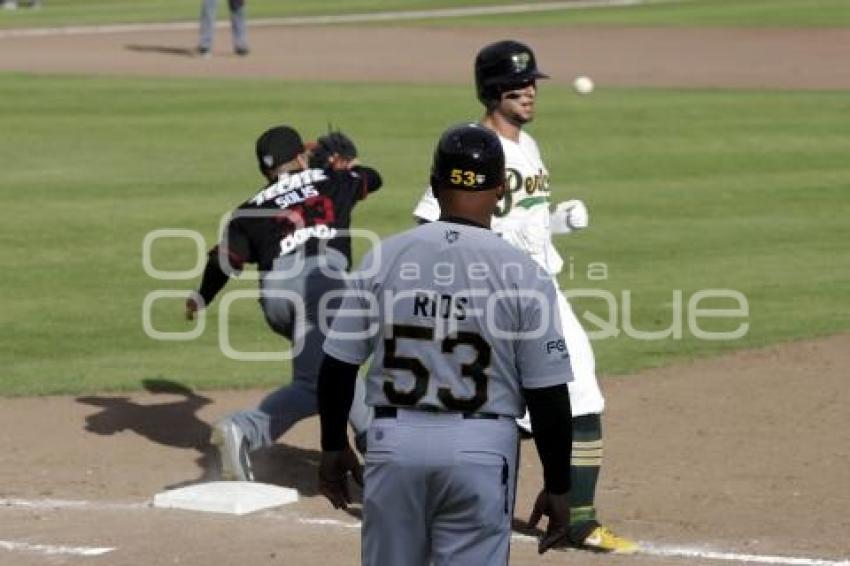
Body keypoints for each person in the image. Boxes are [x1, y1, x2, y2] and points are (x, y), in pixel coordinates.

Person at [412, 40, 638, 554]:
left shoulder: (528, 148)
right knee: (508, 407)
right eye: (519, 84)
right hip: (498, 297)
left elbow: (524, 222)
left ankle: (575, 516)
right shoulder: (472, 145)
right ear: (492, 90)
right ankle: (489, 512)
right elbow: (432, 221)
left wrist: (559, 221)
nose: (531, 91)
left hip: (543, 290)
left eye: (533, 82)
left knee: (578, 396)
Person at [316, 123, 576, 564]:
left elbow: (337, 367)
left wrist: (331, 446)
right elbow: (548, 394)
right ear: (500, 190)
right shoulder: (524, 274)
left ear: (435, 185)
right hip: (481, 446)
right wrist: (559, 486)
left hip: (392, 444)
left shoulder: (384, 256)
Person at [186, 125, 381, 481]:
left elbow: (224, 262)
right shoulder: (329, 180)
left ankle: (249, 433)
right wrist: (342, 166)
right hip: (321, 284)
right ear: (301, 157)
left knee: (326, 373)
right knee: (330, 373)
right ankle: (381, 451)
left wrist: (201, 296)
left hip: (276, 295)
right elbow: (372, 178)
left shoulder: (246, 210)